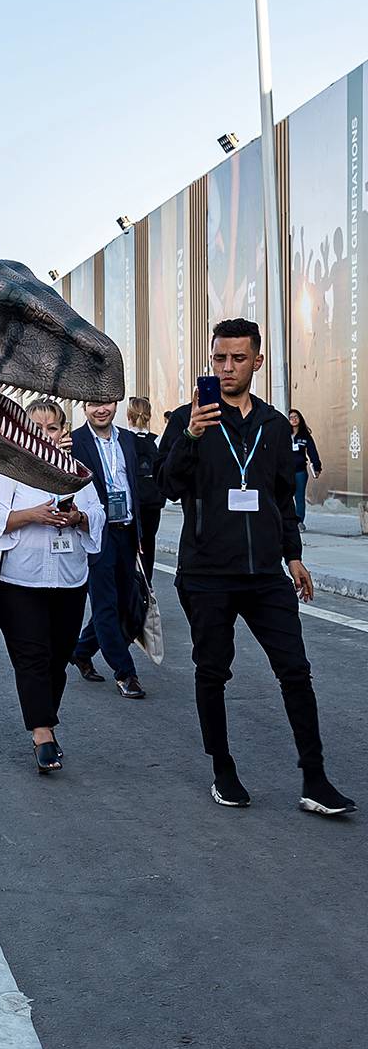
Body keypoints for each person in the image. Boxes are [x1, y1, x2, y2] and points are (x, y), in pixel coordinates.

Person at [159, 318, 354, 815]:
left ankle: (315, 778)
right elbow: (165, 487)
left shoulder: (271, 425)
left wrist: (294, 557)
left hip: (266, 574)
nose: (227, 368)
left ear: (257, 362)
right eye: (219, 359)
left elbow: (282, 501)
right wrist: (190, 439)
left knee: (295, 671)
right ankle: (223, 768)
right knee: (212, 670)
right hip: (207, 573)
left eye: (238, 359)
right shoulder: (187, 419)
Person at [0, 399, 104, 773]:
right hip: (22, 579)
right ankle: (42, 734)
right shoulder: (7, 468)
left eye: (51, 428)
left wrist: (77, 517)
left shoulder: (75, 471)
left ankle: (45, 720)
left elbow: (97, 514)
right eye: (36, 427)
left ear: (62, 431)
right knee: (32, 657)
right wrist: (32, 515)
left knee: (56, 659)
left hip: (69, 579)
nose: (44, 435)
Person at [69, 399, 146, 698]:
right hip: (95, 530)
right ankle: (126, 672)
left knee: (127, 602)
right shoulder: (75, 442)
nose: (101, 410)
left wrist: (139, 533)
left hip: (126, 531)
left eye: (107, 404)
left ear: (116, 405)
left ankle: (81, 649)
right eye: (93, 405)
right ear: (83, 408)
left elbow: (132, 486)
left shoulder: (127, 439)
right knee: (105, 604)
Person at [126, 396, 164, 584]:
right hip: (153, 503)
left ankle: (130, 590)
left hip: (132, 502)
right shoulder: (156, 441)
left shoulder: (124, 440)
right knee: (148, 545)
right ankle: (146, 588)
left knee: (128, 547)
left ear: (129, 416)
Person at [288, 409, 322, 531]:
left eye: (296, 417)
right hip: (286, 472)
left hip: (300, 471)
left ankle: (299, 522)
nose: (294, 419)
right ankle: (286, 521)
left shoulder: (305, 436)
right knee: (285, 496)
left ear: (300, 419)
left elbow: (312, 452)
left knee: (299, 497)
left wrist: (317, 467)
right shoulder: (284, 435)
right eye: (291, 417)